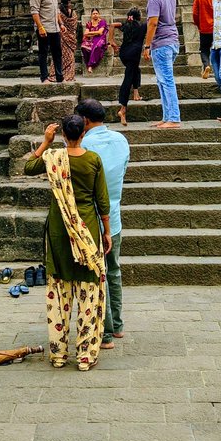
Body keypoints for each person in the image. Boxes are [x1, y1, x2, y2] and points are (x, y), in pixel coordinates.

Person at [24, 115, 111, 371]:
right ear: (84, 132)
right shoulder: (93, 160)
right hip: (87, 229)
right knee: (88, 292)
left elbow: (29, 167)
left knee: (59, 292)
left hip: (60, 231)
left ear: (63, 134)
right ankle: (85, 357)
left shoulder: (52, 158)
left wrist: (45, 142)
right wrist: (106, 232)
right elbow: (102, 201)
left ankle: (59, 355)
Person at [77, 98, 130, 352]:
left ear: (85, 121)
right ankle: (117, 325)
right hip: (115, 215)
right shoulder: (121, 140)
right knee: (114, 271)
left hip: (94, 219)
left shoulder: (85, 145)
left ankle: (106, 333)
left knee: (99, 275)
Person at [143, 0, 181, 129]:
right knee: (162, 80)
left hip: (161, 42)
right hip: (172, 40)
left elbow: (153, 23)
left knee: (166, 81)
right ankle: (167, 116)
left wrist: (147, 45)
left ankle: (174, 118)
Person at [109, 7, 146, 127]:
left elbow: (112, 25)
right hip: (134, 55)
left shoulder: (126, 24)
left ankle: (136, 93)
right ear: (138, 17)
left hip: (124, 54)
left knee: (136, 70)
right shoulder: (142, 26)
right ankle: (123, 109)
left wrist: (111, 41)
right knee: (127, 79)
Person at [29, 0, 63, 84]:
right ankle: (44, 78)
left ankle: (60, 77)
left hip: (55, 28)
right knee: (43, 53)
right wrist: (40, 27)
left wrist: (61, 23)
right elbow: (34, 12)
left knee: (57, 53)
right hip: (44, 28)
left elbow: (56, 9)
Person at [191, 0, 215, 80]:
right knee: (218, 48)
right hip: (217, 28)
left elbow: (195, 14)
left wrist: (198, 25)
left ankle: (206, 65)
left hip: (204, 27)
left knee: (204, 49)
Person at [81, 8, 109, 74]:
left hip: (101, 38)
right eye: (94, 14)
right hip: (91, 39)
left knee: (96, 46)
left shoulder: (102, 22)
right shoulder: (89, 23)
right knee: (83, 47)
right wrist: (94, 33)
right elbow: (86, 33)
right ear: (91, 15)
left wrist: (91, 33)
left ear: (99, 15)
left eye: (96, 13)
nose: (95, 15)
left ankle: (90, 65)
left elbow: (100, 33)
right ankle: (88, 63)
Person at [58, 0, 78, 83]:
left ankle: (59, 74)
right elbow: (74, 24)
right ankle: (68, 75)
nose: (70, 4)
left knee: (61, 56)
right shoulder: (72, 13)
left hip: (62, 37)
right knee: (70, 57)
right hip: (68, 37)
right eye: (69, 2)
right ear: (68, 3)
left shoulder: (59, 13)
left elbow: (58, 23)